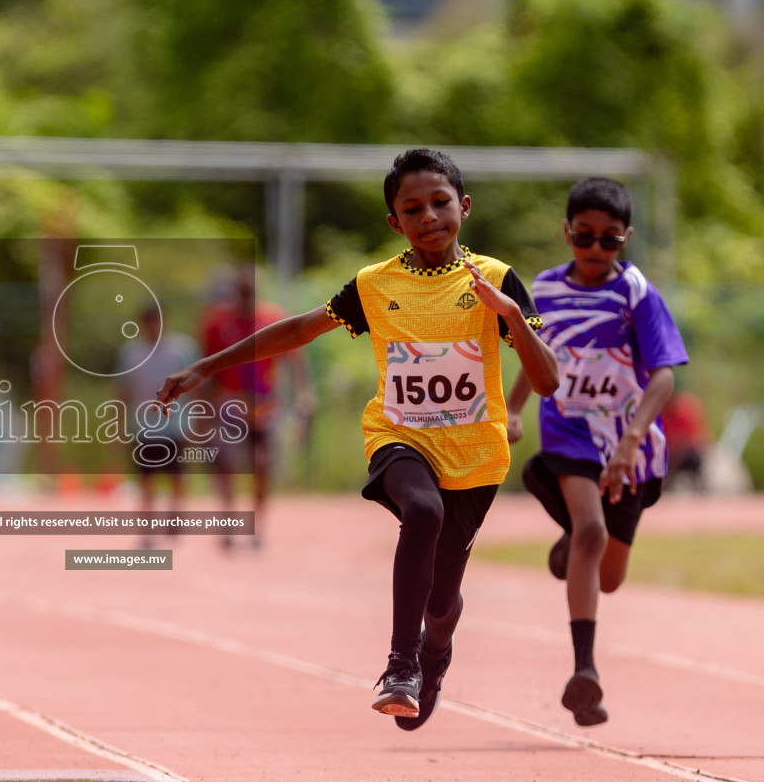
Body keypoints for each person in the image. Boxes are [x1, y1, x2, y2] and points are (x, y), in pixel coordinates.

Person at [159, 149, 558, 730]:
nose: (429, 217)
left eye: (440, 203)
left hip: (475, 455)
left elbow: (546, 382)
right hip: (398, 437)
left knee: (441, 604)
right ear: (395, 222)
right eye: (412, 208)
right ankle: (400, 666)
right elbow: (298, 328)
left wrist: (512, 318)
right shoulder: (376, 285)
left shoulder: (494, 280)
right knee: (421, 511)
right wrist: (208, 366)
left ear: (464, 208)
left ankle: (434, 653)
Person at [505, 177, 688, 727]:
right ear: (567, 232)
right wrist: (514, 409)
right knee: (591, 532)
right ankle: (584, 671)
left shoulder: (636, 294)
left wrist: (632, 440)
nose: (594, 249)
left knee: (609, 576)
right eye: (584, 236)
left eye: (609, 240)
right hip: (569, 430)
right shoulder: (546, 290)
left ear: (625, 239)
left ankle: (572, 544)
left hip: (627, 440)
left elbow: (663, 379)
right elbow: (537, 357)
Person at [198, 271, 312, 548]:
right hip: (230, 402)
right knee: (226, 463)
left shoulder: (272, 318)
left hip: (263, 403)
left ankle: (258, 527)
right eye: (242, 290)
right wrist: (201, 409)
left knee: (262, 464)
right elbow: (206, 367)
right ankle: (228, 523)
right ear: (236, 291)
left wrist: (304, 393)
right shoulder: (217, 323)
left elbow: (294, 358)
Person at [117, 305, 198, 547]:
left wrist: (197, 421)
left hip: (174, 424)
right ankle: (148, 530)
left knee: (177, 476)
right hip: (143, 427)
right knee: (146, 480)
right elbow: (122, 392)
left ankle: (175, 516)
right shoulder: (131, 354)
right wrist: (119, 427)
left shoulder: (182, 350)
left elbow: (197, 388)